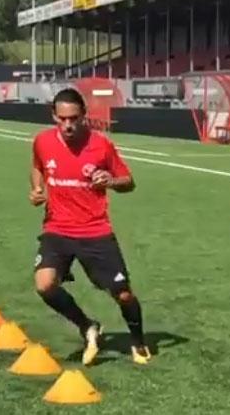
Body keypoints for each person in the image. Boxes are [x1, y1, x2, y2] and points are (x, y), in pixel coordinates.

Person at [29, 88, 151, 365]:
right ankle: (87, 326)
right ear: (54, 116)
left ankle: (138, 340)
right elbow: (37, 166)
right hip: (57, 228)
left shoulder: (101, 145)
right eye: (62, 119)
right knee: (45, 285)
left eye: (73, 118)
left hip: (95, 231)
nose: (68, 125)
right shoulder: (43, 141)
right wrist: (37, 189)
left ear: (84, 116)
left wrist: (111, 180)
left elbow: (128, 182)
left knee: (123, 294)